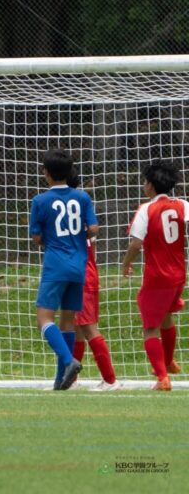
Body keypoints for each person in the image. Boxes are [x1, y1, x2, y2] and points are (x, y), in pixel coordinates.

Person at [29, 149, 98, 391]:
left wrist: (53, 240)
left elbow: (37, 237)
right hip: (78, 265)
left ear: (46, 172)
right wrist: (77, 238)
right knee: (67, 323)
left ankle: (69, 361)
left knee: (44, 319)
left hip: (55, 266)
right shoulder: (83, 197)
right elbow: (94, 229)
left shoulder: (40, 201)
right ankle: (61, 381)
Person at [121, 160, 187, 392]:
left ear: (150, 185)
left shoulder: (146, 209)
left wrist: (126, 263)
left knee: (150, 328)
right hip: (179, 274)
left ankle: (162, 378)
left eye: (144, 181)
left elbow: (136, 244)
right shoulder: (182, 205)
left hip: (157, 276)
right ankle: (168, 362)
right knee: (167, 317)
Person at [66, 173, 119, 391]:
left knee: (88, 329)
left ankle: (110, 380)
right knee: (77, 329)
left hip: (79, 276)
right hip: (86, 274)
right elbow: (92, 247)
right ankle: (71, 381)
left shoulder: (64, 213)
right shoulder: (82, 209)